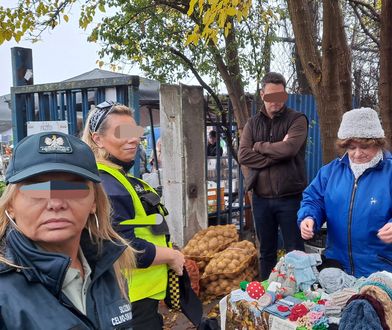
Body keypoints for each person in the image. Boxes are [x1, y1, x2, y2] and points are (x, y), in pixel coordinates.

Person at [0, 131, 136, 329]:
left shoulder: (108, 266)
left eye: (72, 188)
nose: (56, 203)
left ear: (94, 202)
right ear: (11, 204)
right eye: (37, 189)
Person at [82, 101, 185, 330]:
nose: (133, 139)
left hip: (137, 298)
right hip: (129, 302)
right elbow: (120, 247)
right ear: (98, 139)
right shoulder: (108, 184)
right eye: (122, 133)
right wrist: (171, 256)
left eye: (135, 132)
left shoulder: (118, 179)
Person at [298, 107, 392, 278]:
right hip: (337, 268)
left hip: (381, 269)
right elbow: (313, 200)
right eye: (351, 147)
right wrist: (308, 217)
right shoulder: (330, 172)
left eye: (364, 146)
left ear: (377, 143)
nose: (357, 154)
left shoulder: (390, 172)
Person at [238, 72, 307, 281]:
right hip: (261, 198)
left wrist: (259, 147)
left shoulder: (297, 119)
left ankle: (299, 297)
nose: (276, 101)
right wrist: (276, 153)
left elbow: (289, 150)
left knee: (295, 252)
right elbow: (243, 155)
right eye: (271, 96)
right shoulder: (252, 123)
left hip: (290, 197)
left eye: (280, 96)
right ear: (262, 95)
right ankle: (266, 294)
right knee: (266, 252)